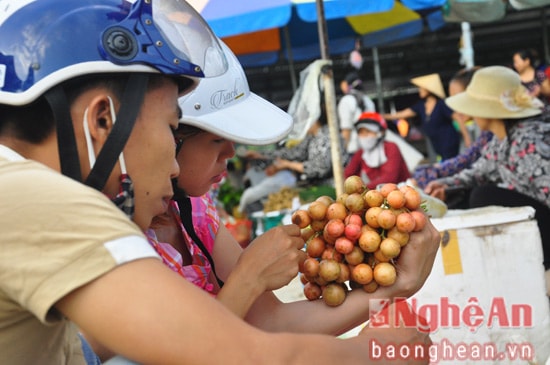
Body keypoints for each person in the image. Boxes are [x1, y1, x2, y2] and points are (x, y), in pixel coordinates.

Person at [0, 1, 440, 364]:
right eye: (171, 129)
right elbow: (235, 354)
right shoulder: (38, 201)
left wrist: (395, 290)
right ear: (102, 120)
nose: (172, 169)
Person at [424, 66, 550, 273]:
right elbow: (479, 171)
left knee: (482, 195)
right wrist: (444, 185)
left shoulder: (528, 141)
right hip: (538, 216)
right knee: (472, 194)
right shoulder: (502, 139)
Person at [238, 96, 342, 214]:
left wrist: (287, 165)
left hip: (332, 188)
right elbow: (292, 153)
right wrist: (261, 155)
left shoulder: (327, 136)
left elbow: (318, 168)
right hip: (316, 189)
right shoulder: (311, 137)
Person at [411, 67, 494, 209]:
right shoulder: (488, 134)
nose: (455, 106)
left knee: (478, 195)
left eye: (458, 98)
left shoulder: (502, 135)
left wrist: (441, 177)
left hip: (448, 145)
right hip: (441, 151)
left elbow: (470, 163)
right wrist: (442, 177)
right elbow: (473, 164)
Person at [383, 73, 463, 162]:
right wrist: (383, 116)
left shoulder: (441, 104)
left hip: (449, 140)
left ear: (429, 90)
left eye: (422, 88)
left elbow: (458, 118)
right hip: (436, 143)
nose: (420, 90)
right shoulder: (421, 106)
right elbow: (402, 114)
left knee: (449, 163)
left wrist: (467, 138)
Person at [344, 111, 410, 189]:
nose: (364, 136)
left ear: (380, 132)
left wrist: (362, 189)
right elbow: (348, 174)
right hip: (375, 194)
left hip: (400, 191)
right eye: (361, 133)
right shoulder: (361, 153)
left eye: (368, 131)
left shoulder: (391, 148)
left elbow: (389, 179)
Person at [337, 71, 376, 157]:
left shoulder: (346, 101)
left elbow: (346, 130)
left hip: (354, 151)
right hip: (371, 148)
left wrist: (342, 153)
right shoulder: (368, 101)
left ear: (345, 84)